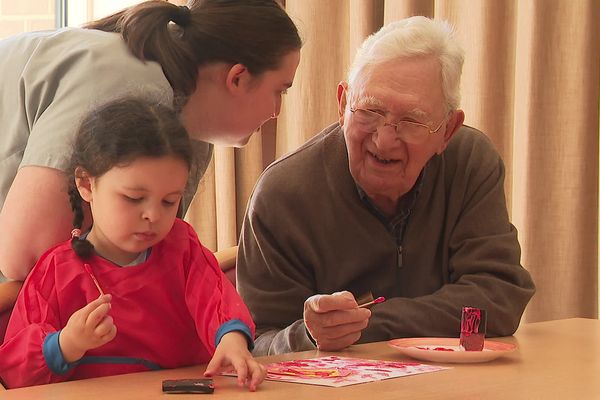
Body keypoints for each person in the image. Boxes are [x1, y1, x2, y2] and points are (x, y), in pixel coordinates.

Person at [236, 16, 536, 355]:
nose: (384, 139)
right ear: (341, 104)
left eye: (411, 120)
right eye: (370, 111)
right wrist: (311, 334)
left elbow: (498, 298)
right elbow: (254, 343)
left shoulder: (469, 162)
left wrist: (370, 323)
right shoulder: (283, 193)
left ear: (448, 130)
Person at [0, 0, 301, 282]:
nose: (277, 112)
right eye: (280, 90)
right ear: (238, 77)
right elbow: (27, 259)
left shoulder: (188, 132)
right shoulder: (122, 83)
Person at [0, 98, 265, 390]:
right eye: (133, 198)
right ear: (86, 184)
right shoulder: (55, 272)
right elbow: (13, 372)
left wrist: (232, 340)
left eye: (169, 201)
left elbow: (217, 302)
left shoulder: (182, 248)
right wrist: (66, 344)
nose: (152, 215)